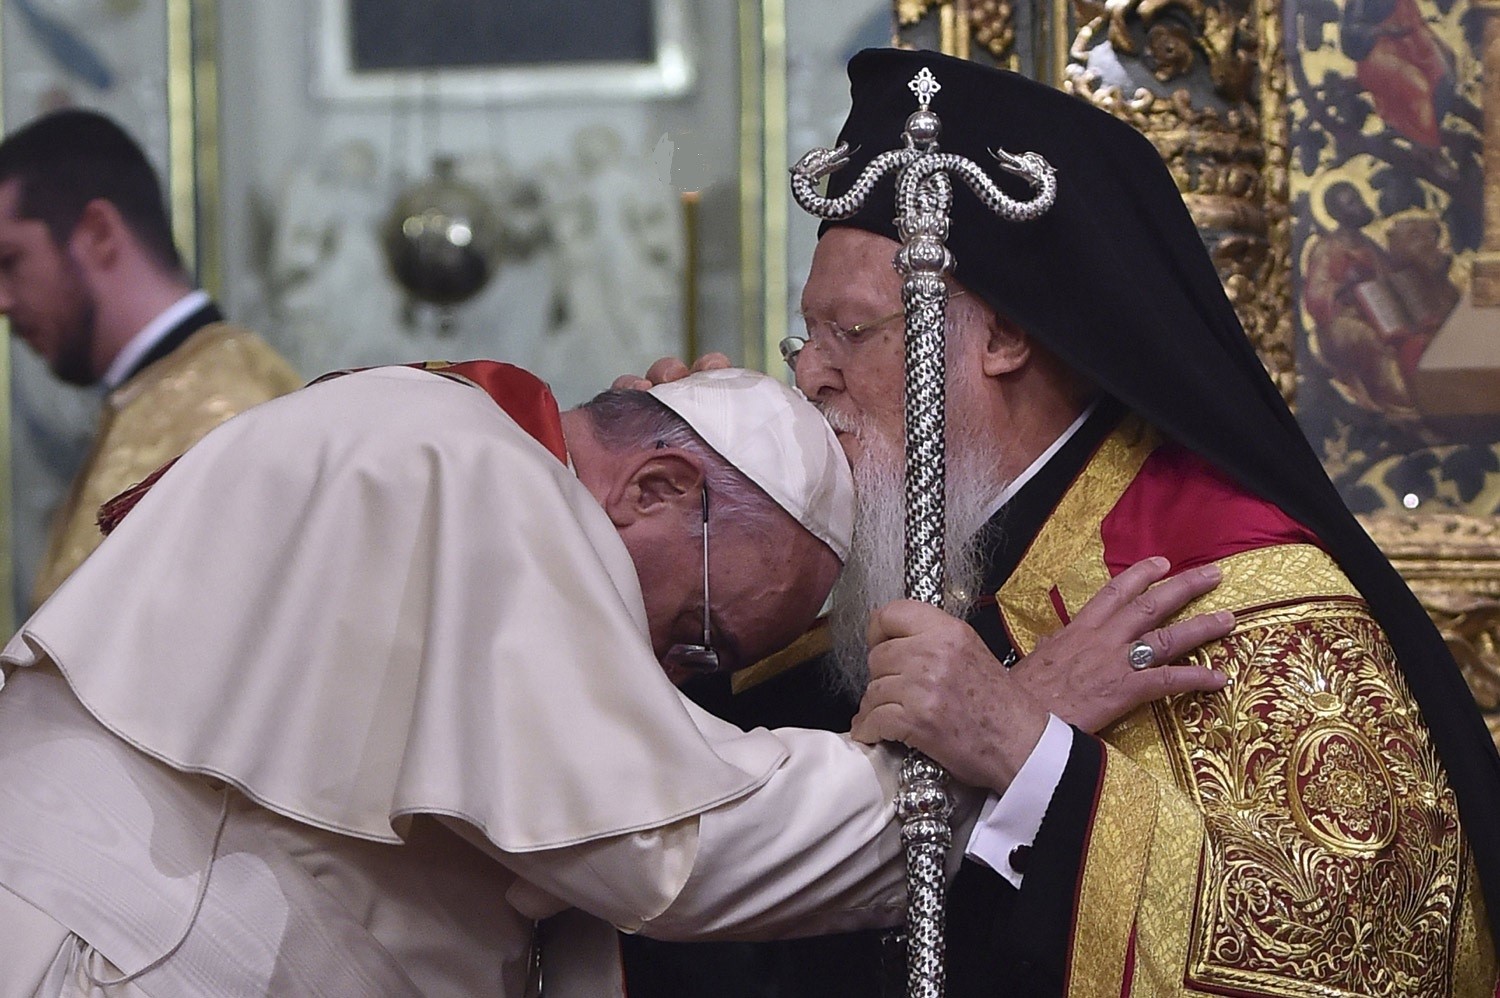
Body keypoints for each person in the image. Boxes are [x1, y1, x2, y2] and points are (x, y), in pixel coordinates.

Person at [621, 49, 1500, 997]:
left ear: (1004, 337)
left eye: (855, 333)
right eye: (808, 335)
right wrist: (650, 545)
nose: (810, 374)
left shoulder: (1223, 577)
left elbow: (1367, 944)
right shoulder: (894, 554)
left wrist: (1031, 754)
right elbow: (660, 837)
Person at [0, 360, 1228, 996]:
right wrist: (1011, 729)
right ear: (657, 486)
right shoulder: (471, 470)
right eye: (700, 636)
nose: (677, 676)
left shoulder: (453, 442)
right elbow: (673, 845)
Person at [0, 107, 302, 605]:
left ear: (99, 233)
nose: (3, 300)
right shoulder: (158, 394)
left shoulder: (221, 410)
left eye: (10, 261)